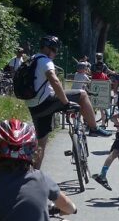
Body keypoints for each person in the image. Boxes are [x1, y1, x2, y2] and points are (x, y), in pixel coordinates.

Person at [24, 35, 110, 168]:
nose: (56, 53)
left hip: (34, 106)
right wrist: (65, 102)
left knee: (41, 144)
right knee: (82, 95)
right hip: (46, 102)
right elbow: (54, 79)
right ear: (49, 49)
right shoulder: (45, 61)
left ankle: (34, 176)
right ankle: (94, 128)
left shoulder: (32, 59)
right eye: (55, 50)